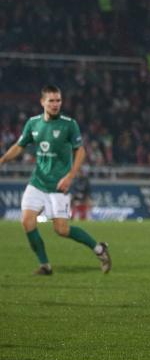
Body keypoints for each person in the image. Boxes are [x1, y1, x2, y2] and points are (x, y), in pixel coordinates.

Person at [0, 85, 110, 275]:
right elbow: (20, 146)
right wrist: (2, 160)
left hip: (58, 187)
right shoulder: (33, 123)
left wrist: (70, 176)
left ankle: (99, 249)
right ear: (42, 102)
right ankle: (45, 265)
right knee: (27, 222)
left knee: (61, 230)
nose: (55, 104)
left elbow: (81, 151)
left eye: (58, 100)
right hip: (37, 183)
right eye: (51, 100)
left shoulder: (69, 124)